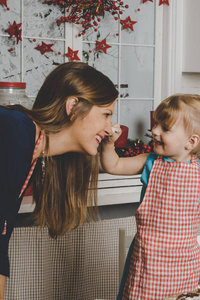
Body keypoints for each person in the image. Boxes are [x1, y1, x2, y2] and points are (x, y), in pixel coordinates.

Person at [0, 62, 119, 299]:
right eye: (106, 114)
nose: (110, 129)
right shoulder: (13, 129)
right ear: (73, 105)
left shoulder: (30, 154)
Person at [101, 94, 200, 300]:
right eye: (156, 124)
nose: (154, 130)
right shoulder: (150, 162)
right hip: (147, 263)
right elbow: (113, 165)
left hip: (184, 266)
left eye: (164, 128)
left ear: (191, 141)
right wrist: (108, 144)